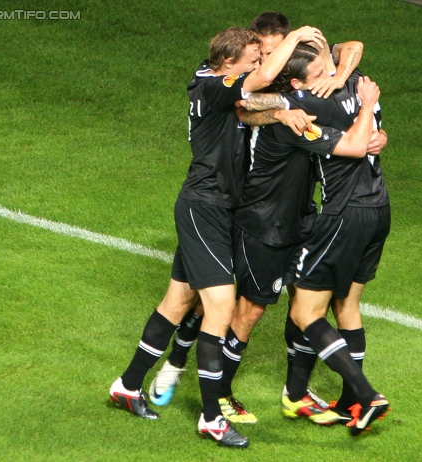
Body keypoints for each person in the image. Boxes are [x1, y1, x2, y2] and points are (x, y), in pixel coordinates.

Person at [109, 25, 325, 449]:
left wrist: (282, 110)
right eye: (253, 59)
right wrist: (295, 36)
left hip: (218, 209)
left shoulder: (217, 81)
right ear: (229, 64)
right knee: (221, 308)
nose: (260, 65)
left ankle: (128, 385)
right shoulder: (212, 85)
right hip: (204, 207)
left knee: (178, 301)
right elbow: (258, 86)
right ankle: (211, 418)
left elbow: (256, 99)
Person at [149, 12, 366, 425]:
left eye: (272, 52)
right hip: (242, 209)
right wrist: (283, 111)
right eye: (261, 54)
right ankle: (180, 369)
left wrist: (338, 76)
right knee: (209, 302)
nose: (266, 62)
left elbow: (351, 47)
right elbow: (248, 108)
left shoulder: (302, 79)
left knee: (300, 302)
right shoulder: (250, 88)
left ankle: (296, 392)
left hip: (295, 212)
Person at [251, 55, 391, 436]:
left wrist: (282, 109)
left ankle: (367, 394)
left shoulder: (311, 101)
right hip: (380, 209)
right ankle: (349, 403)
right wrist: (360, 98)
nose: (327, 76)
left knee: (304, 313)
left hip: (343, 216)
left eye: (327, 69)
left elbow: (246, 101)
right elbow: (377, 133)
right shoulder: (358, 81)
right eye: (319, 72)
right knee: (347, 306)